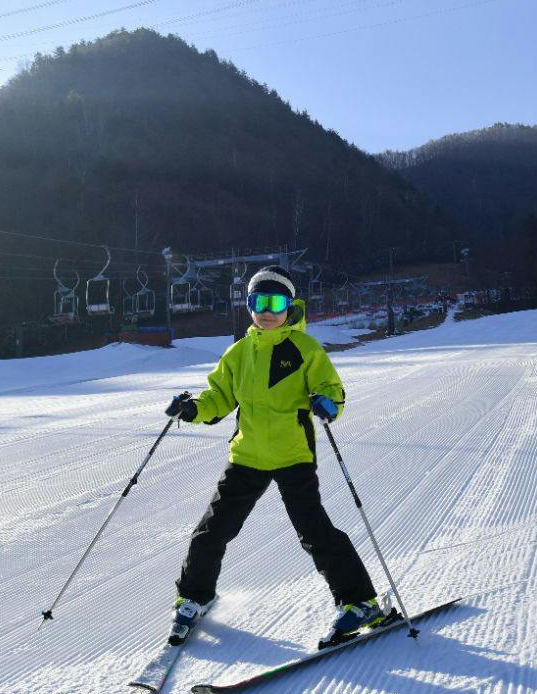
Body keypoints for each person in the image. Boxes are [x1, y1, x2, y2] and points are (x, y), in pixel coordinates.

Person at [163, 265, 385, 649]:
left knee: (315, 531)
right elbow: (218, 398)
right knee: (211, 531)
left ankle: (360, 601)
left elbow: (330, 388)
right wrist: (192, 409)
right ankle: (194, 596)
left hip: (293, 454)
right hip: (247, 456)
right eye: (258, 301)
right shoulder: (238, 353)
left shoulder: (305, 349)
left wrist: (328, 403)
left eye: (275, 301)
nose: (266, 310)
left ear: (290, 306)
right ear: (248, 306)